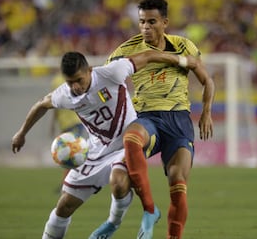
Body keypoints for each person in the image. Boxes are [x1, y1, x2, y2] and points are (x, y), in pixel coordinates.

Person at [11, 49, 199, 239]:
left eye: (79, 80)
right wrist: (21, 133)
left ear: (89, 71)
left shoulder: (112, 73)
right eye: (70, 82)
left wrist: (182, 60)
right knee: (64, 205)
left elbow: (148, 56)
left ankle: (112, 224)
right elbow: (41, 105)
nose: (75, 86)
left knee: (118, 181)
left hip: (126, 144)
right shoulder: (64, 95)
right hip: (95, 151)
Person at [93, 0, 215, 239]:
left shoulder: (184, 46)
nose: (145, 27)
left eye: (151, 22)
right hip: (147, 118)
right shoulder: (125, 51)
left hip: (179, 122)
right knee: (131, 140)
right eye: (141, 22)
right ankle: (149, 210)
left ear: (165, 22)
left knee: (178, 182)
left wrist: (207, 113)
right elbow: (102, 88)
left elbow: (207, 80)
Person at [50, 72, 88, 191]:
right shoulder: (56, 81)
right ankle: (72, 182)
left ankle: (66, 184)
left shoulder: (77, 78)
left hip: (75, 120)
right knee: (69, 153)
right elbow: (54, 103)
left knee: (71, 153)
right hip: (64, 122)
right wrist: (53, 122)